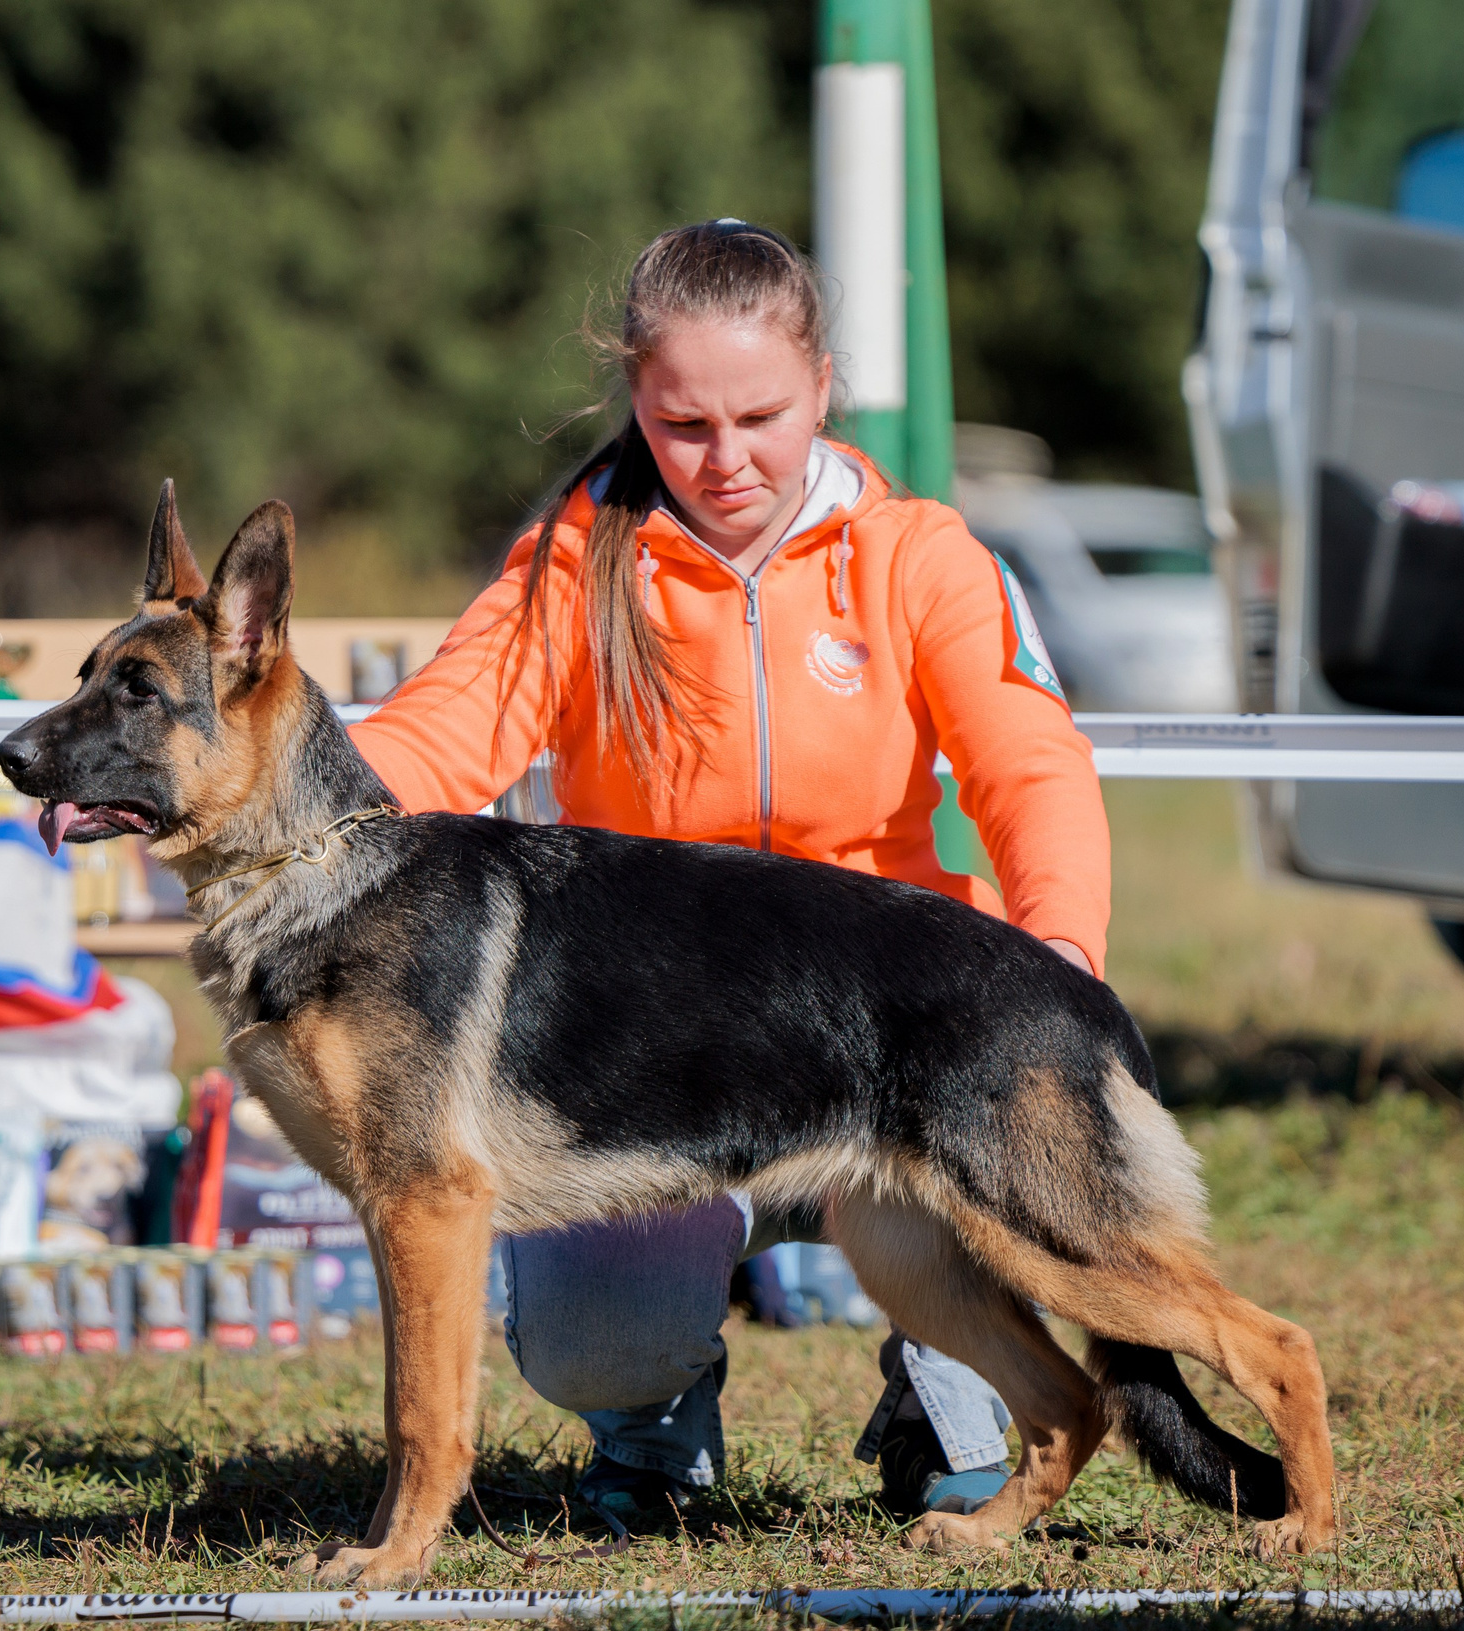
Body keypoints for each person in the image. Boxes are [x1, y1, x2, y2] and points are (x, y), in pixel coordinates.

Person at [347, 219, 1111, 1527]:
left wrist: (1062, 977)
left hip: (898, 1025)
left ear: (822, 384)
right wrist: (268, 806)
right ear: (636, 401)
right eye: (682, 423)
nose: (727, 460)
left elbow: (1029, 769)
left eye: (761, 415)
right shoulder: (578, 564)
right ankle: (647, 1417)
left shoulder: (920, 554)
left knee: (996, 1213)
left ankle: (945, 1381)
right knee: (591, 1340)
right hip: (650, 1045)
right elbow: (434, 740)